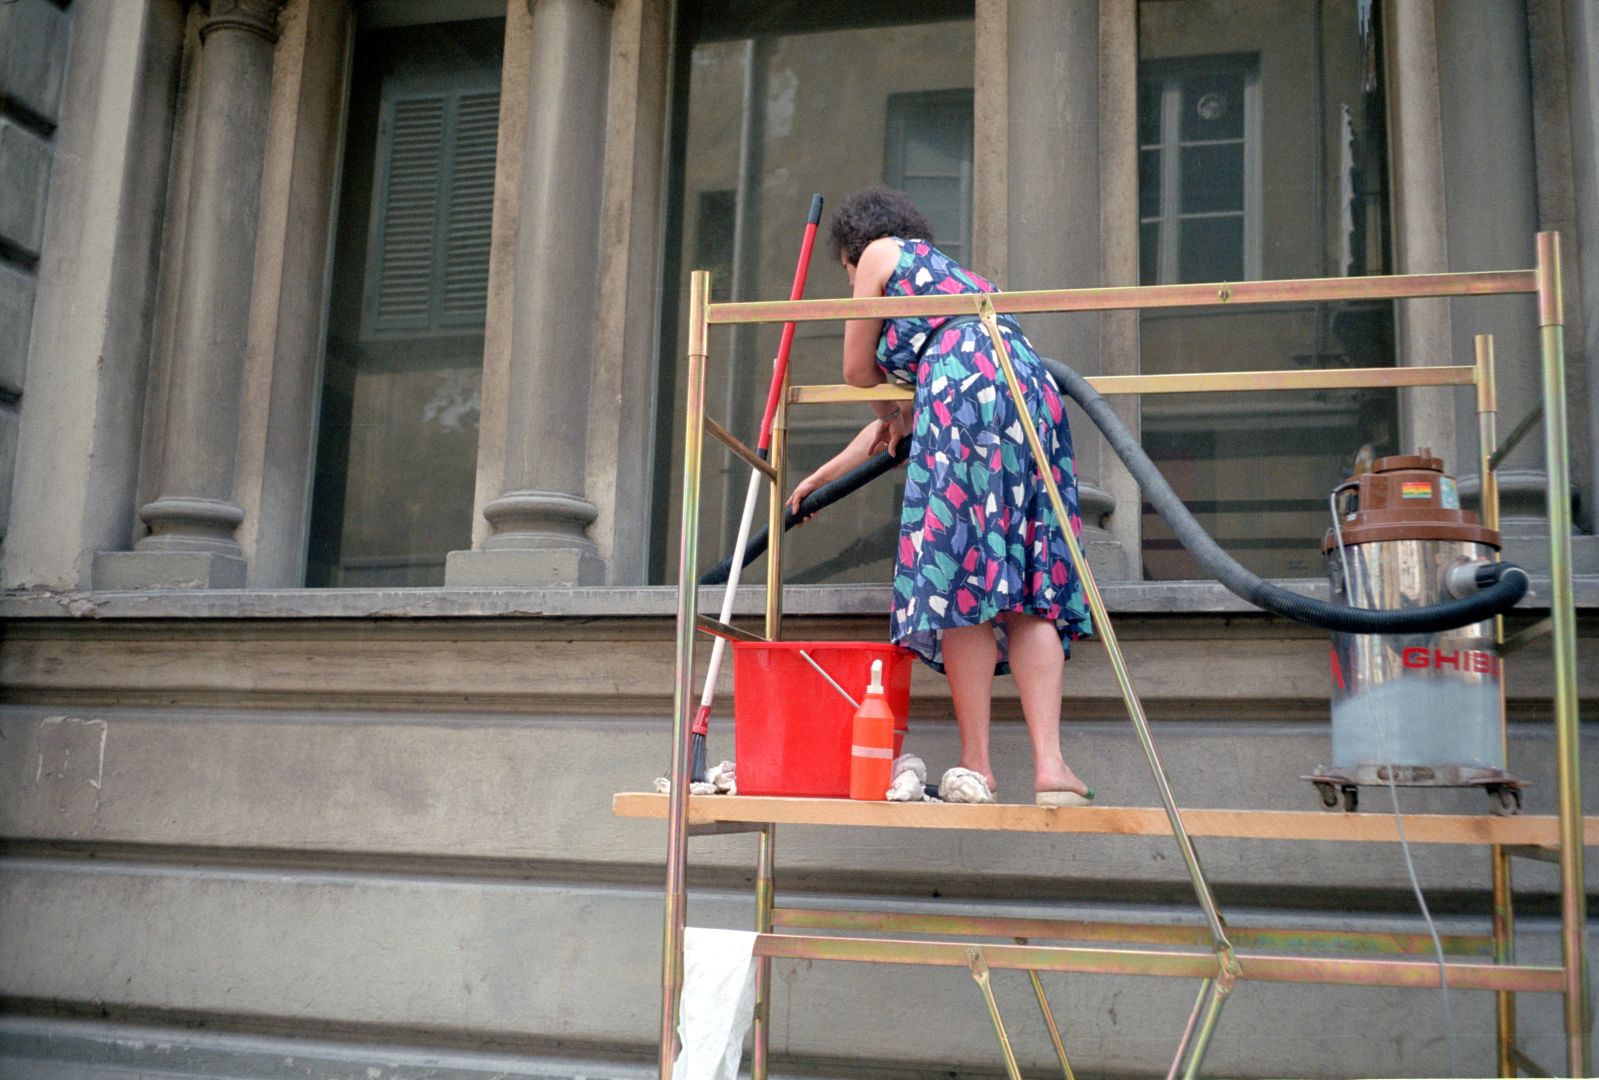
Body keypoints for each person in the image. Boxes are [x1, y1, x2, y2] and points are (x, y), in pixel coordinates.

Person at [786, 187, 1094, 805]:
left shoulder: (874, 255)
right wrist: (825, 474)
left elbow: (857, 373)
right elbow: (902, 410)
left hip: (959, 398)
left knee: (958, 579)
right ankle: (1051, 767)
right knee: (1029, 583)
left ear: (852, 251)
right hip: (1025, 390)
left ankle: (977, 763)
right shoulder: (959, 287)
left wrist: (889, 411)